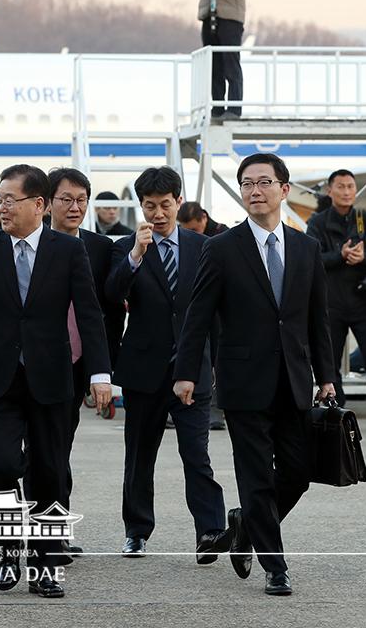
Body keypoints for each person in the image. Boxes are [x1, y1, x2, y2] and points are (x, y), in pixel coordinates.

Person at [0, 164, 112, 599]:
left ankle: (45, 561)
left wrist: (99, 374)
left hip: (53, 377)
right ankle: (7, 546)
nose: (0, 207)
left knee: (49, 471)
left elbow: (90, 315)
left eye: (8, 200)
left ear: (38, 205)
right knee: (1, 464)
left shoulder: (68, 251)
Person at [174, 152, 336, 597]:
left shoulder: (306, 248)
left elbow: (315, 319)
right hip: (244, 381)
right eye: (247, 184)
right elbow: (199, 315)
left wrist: (327, 374)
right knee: (256, 476)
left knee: (299, 471)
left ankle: (245, 524)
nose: (254, 191)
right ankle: (275, 565)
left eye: (264, 182)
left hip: (295, 379)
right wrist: (187, 372)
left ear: (284, 190)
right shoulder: (222, 248)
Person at [105, 166, 230, 563]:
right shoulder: (126, 246)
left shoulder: (204, 246)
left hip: (192, 370)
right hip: (144, 372)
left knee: (197, 454)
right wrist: (136, 256)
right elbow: (111, 294)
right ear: (140, 206)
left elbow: (216, 311)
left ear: (178, 201)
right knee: (140, 457)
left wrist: (214, 364)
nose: (157, 214)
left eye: (164, 205)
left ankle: (210, 531)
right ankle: (136, 531)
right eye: (149, 206)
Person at [44, 167, 127, 556]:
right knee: (41, 448)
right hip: (36, 359)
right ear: (46, 202)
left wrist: (102, 370)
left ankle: (56, 527)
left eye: (81, 200)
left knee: (61, 444)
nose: (75, 207)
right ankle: (45, 527)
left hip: (79, 362)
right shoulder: (31, 242)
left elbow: (110, 304)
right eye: (66, 199)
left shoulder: (99, 247)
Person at [306, 170, 366, 432]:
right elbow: (311, 259)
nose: (346, 191)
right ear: (330, 191)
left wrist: (365, 257)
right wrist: (341, 255)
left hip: (362, 301)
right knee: (329, 363)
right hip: (330, 303)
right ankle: (340, 413)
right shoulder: (318, 223)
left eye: (350, 186)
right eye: (341, 186)